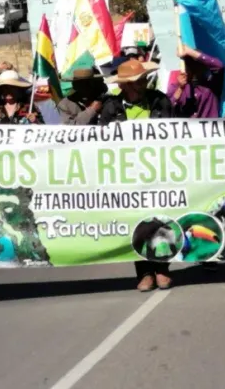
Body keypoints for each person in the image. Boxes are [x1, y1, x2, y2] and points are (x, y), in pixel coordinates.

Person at [98, 58, 175, 291]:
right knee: (137, 223)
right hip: (127, 174)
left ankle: (162, 268)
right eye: (134, 82)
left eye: (142, 80)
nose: (140, 85)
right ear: (122, 85)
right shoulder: (111, 107)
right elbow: (102, 140)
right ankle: (144, 272)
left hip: (159, 170)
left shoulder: (160, 100)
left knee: (161, 219)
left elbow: (175, 131)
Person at [167, 44, 224, 119]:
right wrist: (180, 89)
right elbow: (167, 108)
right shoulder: (176, 87)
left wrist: (190, 52)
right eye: (190, 66)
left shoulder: (212, 84)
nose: (194, 70)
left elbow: (219, 66)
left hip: (209, 129)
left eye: (198, 66)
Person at [58, 55, 109, 125]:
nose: (86, 86)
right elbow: (70, 128)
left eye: (89, 82)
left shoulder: (107, 100)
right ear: (75, 85)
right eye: (81, 83)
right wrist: (92, 110)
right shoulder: (65, 105)